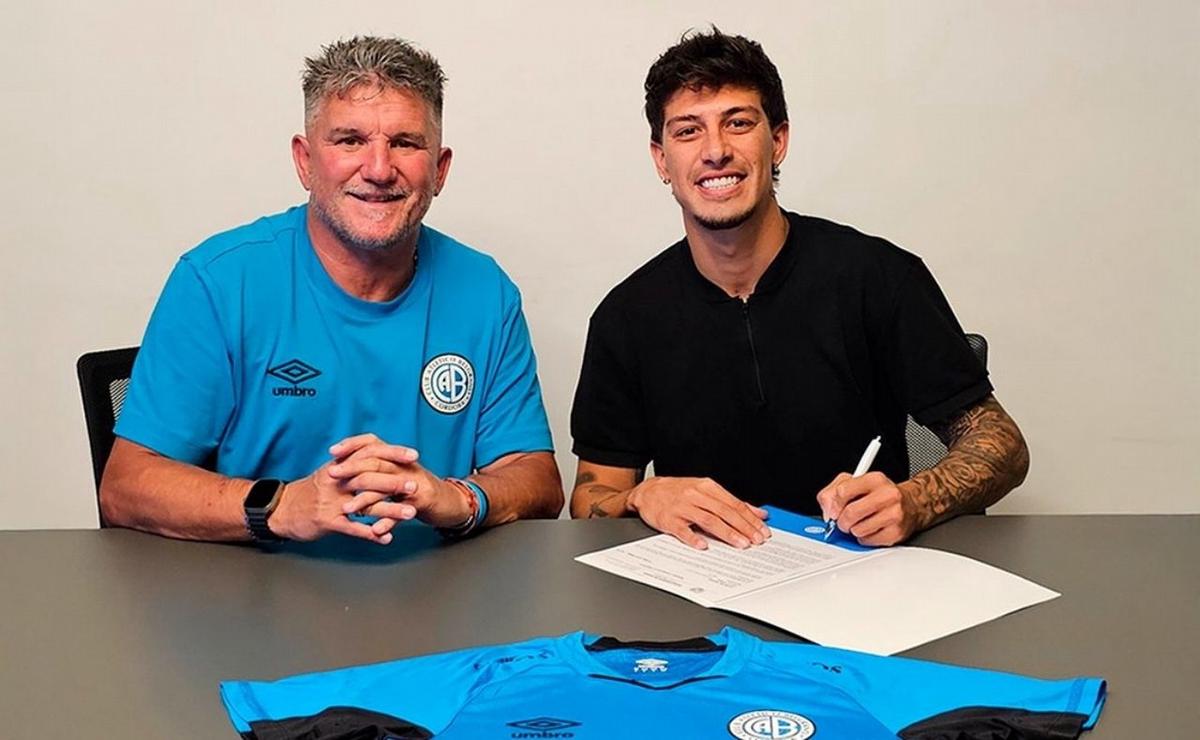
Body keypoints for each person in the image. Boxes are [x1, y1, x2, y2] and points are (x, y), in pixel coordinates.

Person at [569, 29, 1028, 549]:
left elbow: (1002, 443)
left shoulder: (877, 277)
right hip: (702, 580)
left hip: (864, 572)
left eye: (739, 123)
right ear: (661, 160)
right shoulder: (625, 317)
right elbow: (591, 498)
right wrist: (641, 496)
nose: (715, 151)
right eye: (688, 131)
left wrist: (915, 499)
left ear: (778, 141)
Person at [101, 36, 562, 545]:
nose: (379, 169)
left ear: (440, 169)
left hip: (439, 586)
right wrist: (280, 506)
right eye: (349, 141)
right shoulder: (219, 282)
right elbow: (125, 486)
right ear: (304, 161)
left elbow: (537, 479)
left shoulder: (486, 292)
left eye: (405, 143)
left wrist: (458, 497)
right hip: (260, 587)